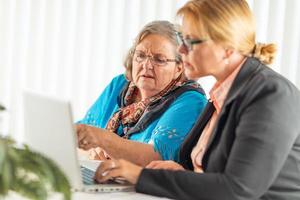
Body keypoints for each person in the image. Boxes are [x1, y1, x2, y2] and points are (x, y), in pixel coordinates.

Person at [93, 0, 300, 199]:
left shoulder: (271, 95)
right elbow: (213, 174)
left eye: (191, 41)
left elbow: (237, 190)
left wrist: (139, 175)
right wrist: (183, 172)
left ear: (227, 47)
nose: (181, 51)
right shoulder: (222, 93)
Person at [76, 20, 207, 167]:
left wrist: (104, 140)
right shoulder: (119, 84)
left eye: (159, 59)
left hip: (144, 187)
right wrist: (92, 151)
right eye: (141, 55)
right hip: (103, 179)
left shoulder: (191, 100)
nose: (146, 65)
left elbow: (156, 157)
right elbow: (79, 134)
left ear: (179, 68)